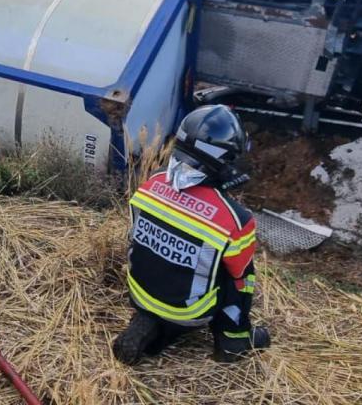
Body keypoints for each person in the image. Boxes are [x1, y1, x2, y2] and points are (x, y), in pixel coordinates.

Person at [113, 105, 271, 364]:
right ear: (224, 160)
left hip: (138, 291)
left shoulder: (152, 182)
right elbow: (239, 272)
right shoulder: (236, 219)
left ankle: (154, 325)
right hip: (190, 310)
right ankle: (233, 340)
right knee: (242, 277)